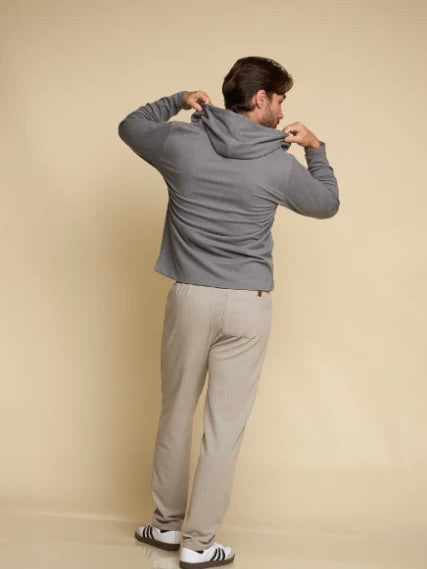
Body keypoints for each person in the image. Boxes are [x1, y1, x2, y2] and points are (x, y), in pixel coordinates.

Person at [118, 56, 339, 569]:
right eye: (280, 99)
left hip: (191, 297)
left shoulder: (182, 143)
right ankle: (198, 543)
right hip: (247, 305)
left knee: (175, 413)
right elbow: (326, 203)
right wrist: (317, 149)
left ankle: (166, 526)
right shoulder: (278, 162)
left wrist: (177, 100)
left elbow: (130, 126)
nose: (282, 109)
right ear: (261, 98)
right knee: (224, 428)